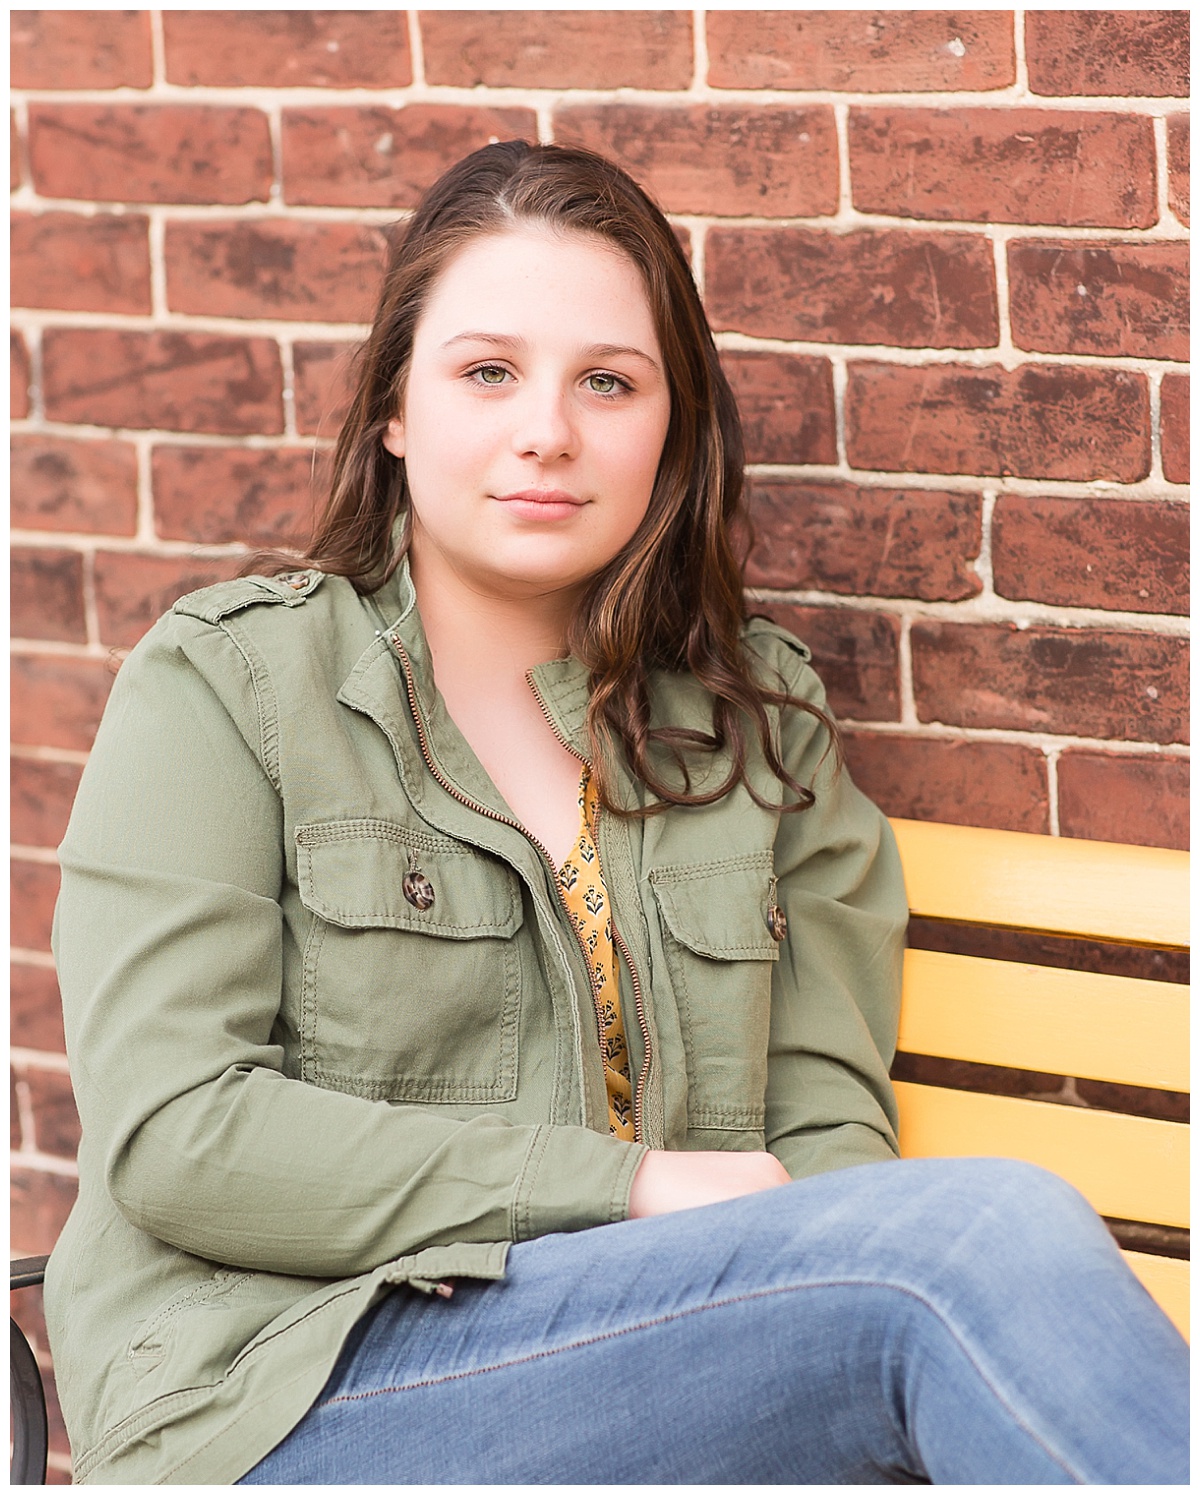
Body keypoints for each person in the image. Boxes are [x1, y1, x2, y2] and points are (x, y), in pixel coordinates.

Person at [46, 141, 1187, 1486]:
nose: (548, 429)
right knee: (976, 1239)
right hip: (289, 1386)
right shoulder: (230, 685)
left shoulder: (761, 720)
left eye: (608, 380)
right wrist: (624, 1187)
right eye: (487, 372)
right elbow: (180, 1136)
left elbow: (823, 1136)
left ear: (674, 424)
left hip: (650, 1364)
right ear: (396, 410)